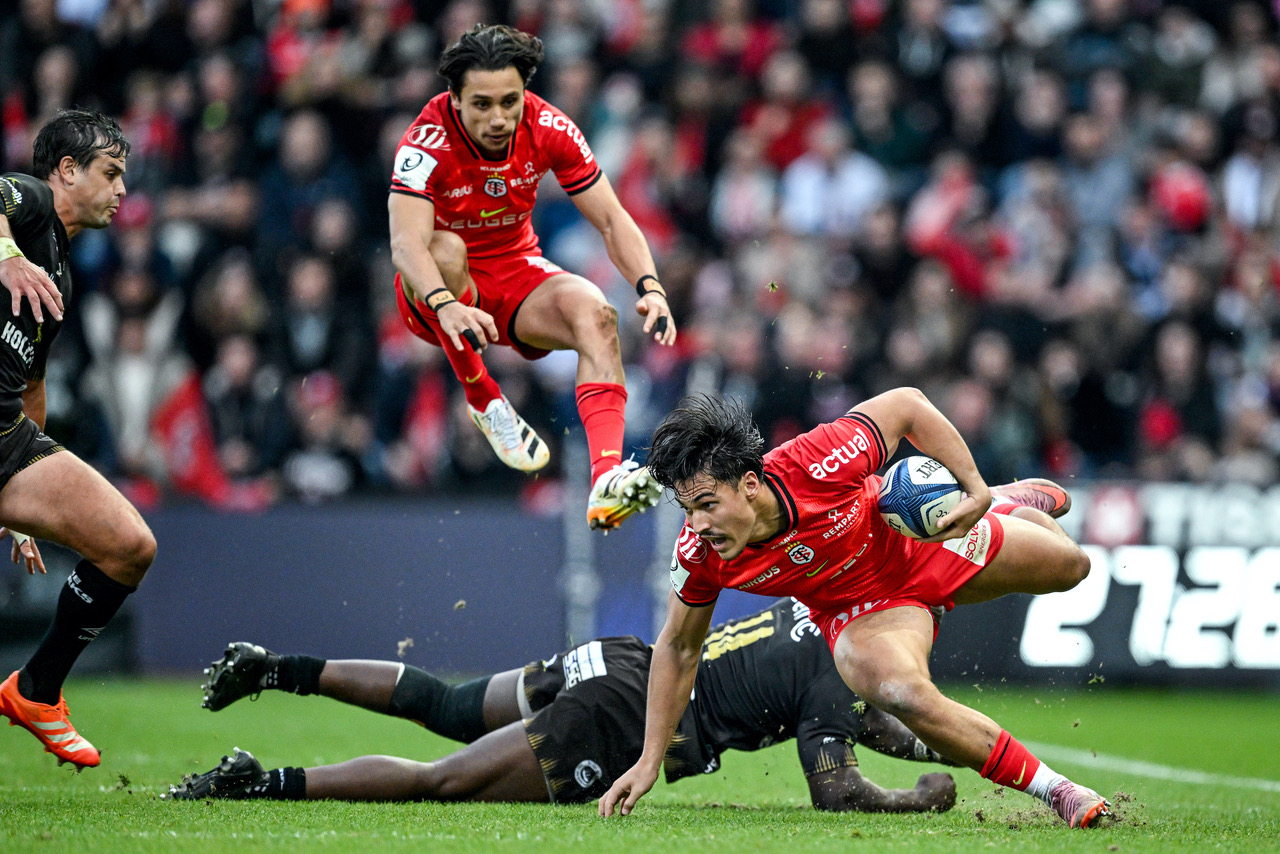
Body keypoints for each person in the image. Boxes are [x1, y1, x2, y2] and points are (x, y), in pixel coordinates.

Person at [601, 389, 1114, 829]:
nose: (698, 524)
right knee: (900, 693)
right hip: (861, 613)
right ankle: (1058, 791)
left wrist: (976, 489)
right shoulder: (699, 554)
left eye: (708, 504)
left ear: (750, 485)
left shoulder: (815, 460)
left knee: (1073, 567)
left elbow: (907, 405)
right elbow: (678, 644)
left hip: (922, 548)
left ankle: (1002, 502)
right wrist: (650, 759)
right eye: (688, 509)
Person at [168, 597, 957, 812]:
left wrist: (938, 742)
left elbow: (866, 714)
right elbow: (837, 788)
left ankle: (277, 669)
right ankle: (261, 783)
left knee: (445, 704)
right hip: (620, 715)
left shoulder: (825, 615)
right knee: (443, 782)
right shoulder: (839, 670)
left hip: (620, 660)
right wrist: (925, 795)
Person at [387, 24, 675, 531]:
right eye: (481, 104)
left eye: (509, 101)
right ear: (454, 98)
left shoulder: (550, 127)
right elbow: (406, 244)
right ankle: (484, 398)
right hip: (432, 286)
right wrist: (445, 302)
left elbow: (611, 218)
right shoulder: (424, 140)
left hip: (515, 271)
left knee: (598, 317)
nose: (498, 118)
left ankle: (606, 479)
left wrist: (649, 287)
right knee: (447, 247)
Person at [0, 109, 157, 770]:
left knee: (128, 547)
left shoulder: (61, 274)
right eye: (110, 173)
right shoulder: (31, 209)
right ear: (67, 171)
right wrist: (7, 258)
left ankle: (37, 689)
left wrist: (21, 515)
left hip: (5, 436)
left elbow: (30, 379)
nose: (123, 189)